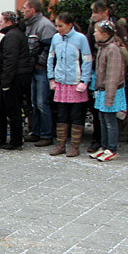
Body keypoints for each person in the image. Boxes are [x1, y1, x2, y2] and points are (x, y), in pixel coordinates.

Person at [85, 0, 128, 153]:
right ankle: (102, 144)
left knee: (109, 118)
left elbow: (113, 73)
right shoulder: (99, 41)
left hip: (110, 86)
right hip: (100, 82)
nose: (93, 15)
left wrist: (109, 95)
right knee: (101, 116)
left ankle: (111, 147)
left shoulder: (113, 47)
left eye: (96, 12)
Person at [47, 12, 92, 157]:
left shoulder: (80, 38)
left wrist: (84, 81)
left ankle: (74, 146)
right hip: (61, 82)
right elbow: (50, 58)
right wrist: (51, 78)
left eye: (61, 26)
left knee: (76, 115)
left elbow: (87, 60)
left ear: (70, 25)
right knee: (61, 115)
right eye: (56, 25)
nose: (58, 29)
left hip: (75, 82)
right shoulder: (55, 38)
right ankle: (61, 145)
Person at [0, 11, 32, 150]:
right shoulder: (13, 34)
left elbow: (10, 60)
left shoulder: (12, 36)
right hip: (12, 77)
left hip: (14, 79)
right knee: (0, 107)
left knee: (12, 109)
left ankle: (15, 141)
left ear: (9, 22)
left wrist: (6, 83)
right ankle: (0, 137)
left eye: (1, 21)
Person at [21, 0, 57, 147]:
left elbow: (49, 50)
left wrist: (38, 63)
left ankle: (47, 134)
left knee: (42, 103)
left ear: (32, 10)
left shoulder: (45, 26)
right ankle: (35, 132)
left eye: (24, 8)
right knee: (35, 103)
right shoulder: (30, 25)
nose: (22, 11)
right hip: (33, 69)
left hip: (41, 70)